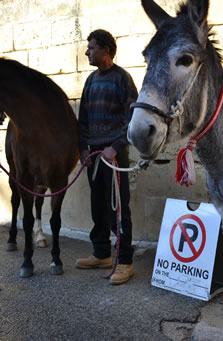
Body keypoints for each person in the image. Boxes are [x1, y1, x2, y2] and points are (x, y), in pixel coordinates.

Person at [75, 29, 138, 285]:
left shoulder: (123, 79)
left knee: (118, 209)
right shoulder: (90, 81)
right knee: (97, 207)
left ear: (106, 50)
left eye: (91, 47)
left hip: (114, 157)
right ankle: (101, 253)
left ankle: (125, 261)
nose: (87, 52)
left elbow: (133, 118)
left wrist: (116, 146)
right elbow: (83, 120)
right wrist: (83, 150)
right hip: (94, 157)